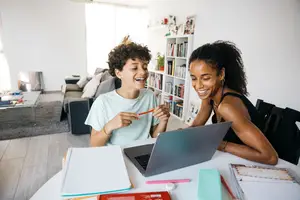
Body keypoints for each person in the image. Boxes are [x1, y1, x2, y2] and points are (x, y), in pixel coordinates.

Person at [189, 41, 278, 165]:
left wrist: (219, 144)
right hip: (233, 159)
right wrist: (181, 135)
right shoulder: (209, 96)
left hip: (255, 164)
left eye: (206, 78)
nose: (198, 86)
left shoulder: (227, 107)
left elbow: (270, 157)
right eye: (193, 78)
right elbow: (196, 125)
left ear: (221, 74)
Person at [85, 37, 170, 147]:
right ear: (119, 73)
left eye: (145, 67)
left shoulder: (149, 96)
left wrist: (163, 121)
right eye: (134, 68)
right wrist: (110, 126)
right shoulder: (102, 102)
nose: (143, 72)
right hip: (116, 156)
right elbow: (94, 145)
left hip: (143, 153)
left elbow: (154, 138)